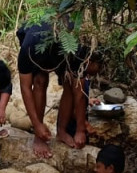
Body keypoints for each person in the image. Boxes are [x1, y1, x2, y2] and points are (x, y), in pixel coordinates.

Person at [16, 21, 100, 158]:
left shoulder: (77, 50)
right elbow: (25, 88)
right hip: (37, 43)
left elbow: (78, 94)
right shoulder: (29, 48)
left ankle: (61, 131)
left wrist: (80, 129)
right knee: (40, 81)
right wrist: (37, 125)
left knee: (69, 83)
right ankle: (39, 137)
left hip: (65, 48)